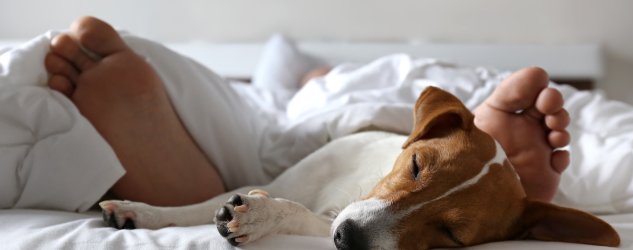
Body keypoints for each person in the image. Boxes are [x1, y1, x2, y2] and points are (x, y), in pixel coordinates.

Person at [43, 16, 570, 207]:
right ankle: (475, 164)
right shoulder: (310, 88)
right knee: (285, 132)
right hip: (300, 117)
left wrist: (317, 83)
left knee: (265, 139)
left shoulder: (327, 85)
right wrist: (315, 84)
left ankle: (470, 156)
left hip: (302, 123)